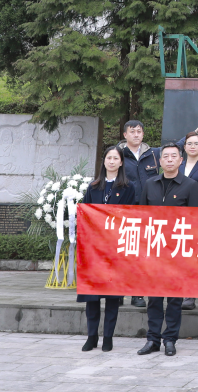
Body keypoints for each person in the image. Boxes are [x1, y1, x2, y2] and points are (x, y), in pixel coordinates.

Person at [137, 142, 198, 357]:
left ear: (181, 160)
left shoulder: (190, 185)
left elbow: (195, 220)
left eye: (174, 156)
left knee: (174, 299)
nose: (170, 159)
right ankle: (153, 339)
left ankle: (170, 339)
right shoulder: (150, 184)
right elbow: (142, 217)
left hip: (177, 251)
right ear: (160, 161)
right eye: (166, 156)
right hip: (154, 250)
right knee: (154, 298)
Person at [77, 146, 137, 352]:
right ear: (104, 162)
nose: (111, 161)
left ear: (121, 163)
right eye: (108, 158)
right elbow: (85, 215)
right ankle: (91, 336)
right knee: (92, 297)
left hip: (115, 249)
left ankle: (108, 337)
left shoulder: (129, 188)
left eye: (115, 158)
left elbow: (130, 216)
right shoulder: (93, 187)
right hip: (93, 250)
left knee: (112, 296)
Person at [118, 119, 159, 306]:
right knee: (123, 252)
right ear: (125, 134)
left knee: (142, 253)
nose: (136, 134)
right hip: (125, 211)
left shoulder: (153, 154)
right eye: (132, 131)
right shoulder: (117, 154)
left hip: (147, 212)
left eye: (139, 131)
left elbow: (177, 147)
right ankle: (117, 292)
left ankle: (137, 293)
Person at [177, 130, 198, 310]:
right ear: (184, 147)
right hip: (176, 217)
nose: (192, 146)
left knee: (192, 257)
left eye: (196, 143)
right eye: (189, 143)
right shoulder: (177, 164)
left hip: (197, 217)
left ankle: (189, 295)